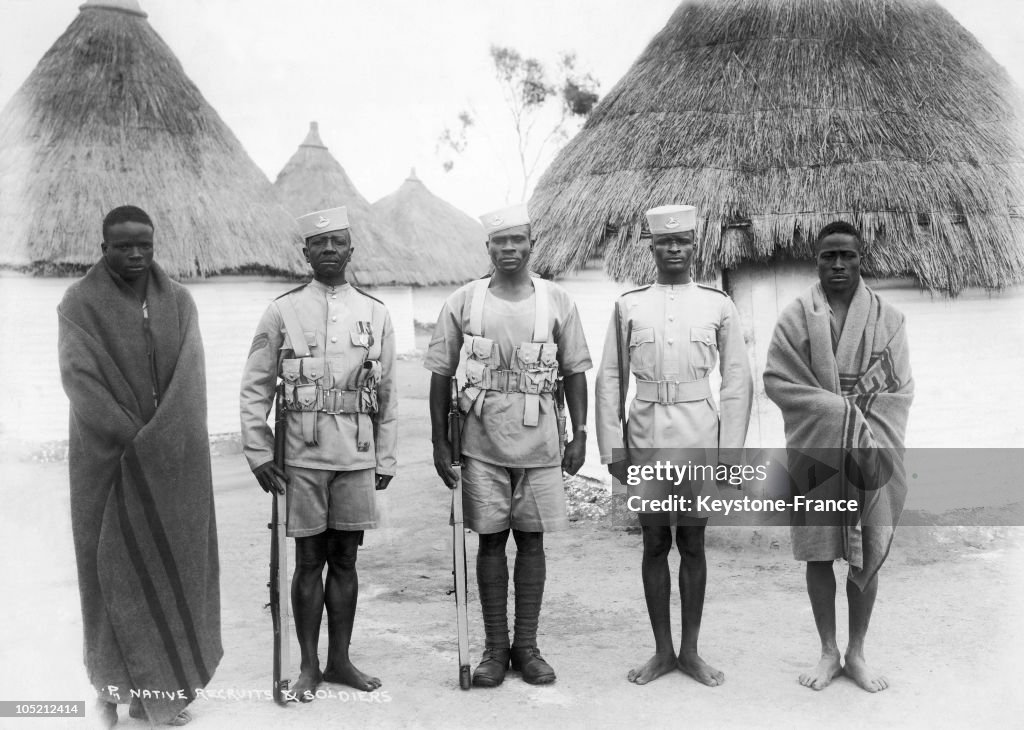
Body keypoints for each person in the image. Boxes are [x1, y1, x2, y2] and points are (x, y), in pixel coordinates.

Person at [58, 205, 221, 727]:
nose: (134, 254)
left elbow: (190, 377)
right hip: (105, 461)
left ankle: (162, 695)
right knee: (107, 571)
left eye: (143, 245)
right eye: (123, 245)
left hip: (171, 463)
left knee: (173, 565)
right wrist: (132, 437)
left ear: (154, 244)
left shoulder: (178, 301)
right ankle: (110, 689)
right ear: (102, 247)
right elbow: (81, 379)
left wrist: (159, 441)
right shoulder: (78, 304)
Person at [426, 203, 591, 687]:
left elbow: (576, 369)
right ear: (489, 248)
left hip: (540, 441)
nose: (510, 249)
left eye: (518, 239)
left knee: (532, 541)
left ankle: (527, 647)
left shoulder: (556, 300)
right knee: (491, 541)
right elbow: (439, 371)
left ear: (531, 244)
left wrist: (579, 435)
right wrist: (440, 441)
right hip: (480, 440)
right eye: (500, 241)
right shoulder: (465, 300)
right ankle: (495, 649)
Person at [240, 206, 397, 701]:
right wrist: (258, 450)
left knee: (346, 559)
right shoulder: (282, 311)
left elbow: (387, 394)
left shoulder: (376, 313)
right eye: (319, 244)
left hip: (356, 453)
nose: (329, 251)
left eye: (338, 243)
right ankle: (308, 666)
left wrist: (385, 458)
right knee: (308, 558)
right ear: (304, 252)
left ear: (352, 249)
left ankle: (340, 660)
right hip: (301, 457)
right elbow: (255, 387)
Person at [595, 204, 752, 686]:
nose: (675, 249)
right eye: (665, 241)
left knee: (693, 541)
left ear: (694, 245)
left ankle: (691, 651)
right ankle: (662, 651)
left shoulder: (717, 304)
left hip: (699, 434)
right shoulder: (630, 305)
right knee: (655, 541)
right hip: (644, 433)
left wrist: (729, 456)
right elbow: (611, 378)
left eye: (683, 241)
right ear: (652, 246)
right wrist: (613, 448)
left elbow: (737, 381)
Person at [764, 221, 914, 693]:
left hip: (871, 451)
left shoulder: (889, 320)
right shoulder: (794, 317)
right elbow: (779, 379)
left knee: (866, 549)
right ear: (817, 259)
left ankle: (857, 651)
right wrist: (837, 411)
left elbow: (899, 390)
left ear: (860, 257)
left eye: (847, 255)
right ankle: (829, 650)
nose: (838, 264)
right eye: (829, 255)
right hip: (816, 446)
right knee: (819, 552)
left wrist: (858, 427)